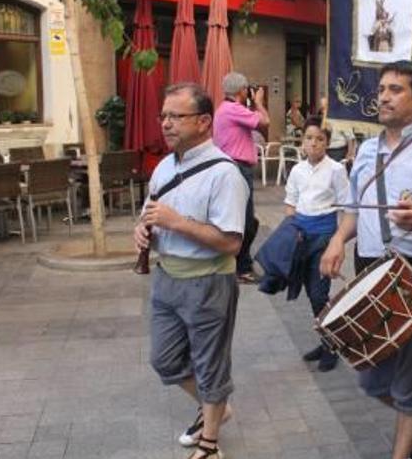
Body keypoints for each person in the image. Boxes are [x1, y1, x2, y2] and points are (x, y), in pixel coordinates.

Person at [320, 60, 412, 459]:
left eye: (395, 90)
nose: (383, 96)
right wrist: (338, 239)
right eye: (382, 88)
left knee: (410, 385)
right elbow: (355, 208)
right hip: (371, 274)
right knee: (370, 380)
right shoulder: (367, 149)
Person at [134, 83, 248, 459]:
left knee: (210, 363)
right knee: (163, 359)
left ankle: (210, 444)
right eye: (163, 116)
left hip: (208, 281)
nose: (166, 124)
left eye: (175, 116)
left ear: (203, 121)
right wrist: (142, 231)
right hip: (167, 277)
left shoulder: (225, 174)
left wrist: (178, 222)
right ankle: (217, 407)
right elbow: (150, 213)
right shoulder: (165, 166)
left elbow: (232, 242)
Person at [284, 117, 350, 372]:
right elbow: (291, 202)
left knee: (319, 293)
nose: (314, 143)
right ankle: (326, 342)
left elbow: (345, 205)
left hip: (324, 235)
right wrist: (292, 229)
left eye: (320, 139)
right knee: (310, 294)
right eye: (309, 138)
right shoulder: (297, 170)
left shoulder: (335, 169)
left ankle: (332, 345)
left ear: (327, 143)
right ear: (303, 141)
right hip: (301, 235)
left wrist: (339, 241)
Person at [213, 72, 270, 284]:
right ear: (241, 91)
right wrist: (259, 103)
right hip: (238, 169)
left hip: (233, 169)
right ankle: (241, 267)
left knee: (245, 220)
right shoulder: (234, 109)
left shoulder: (224, 109)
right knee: (246, 221)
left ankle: (238, 263)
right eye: (247, 88)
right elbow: (265, 121)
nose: (249, 91)